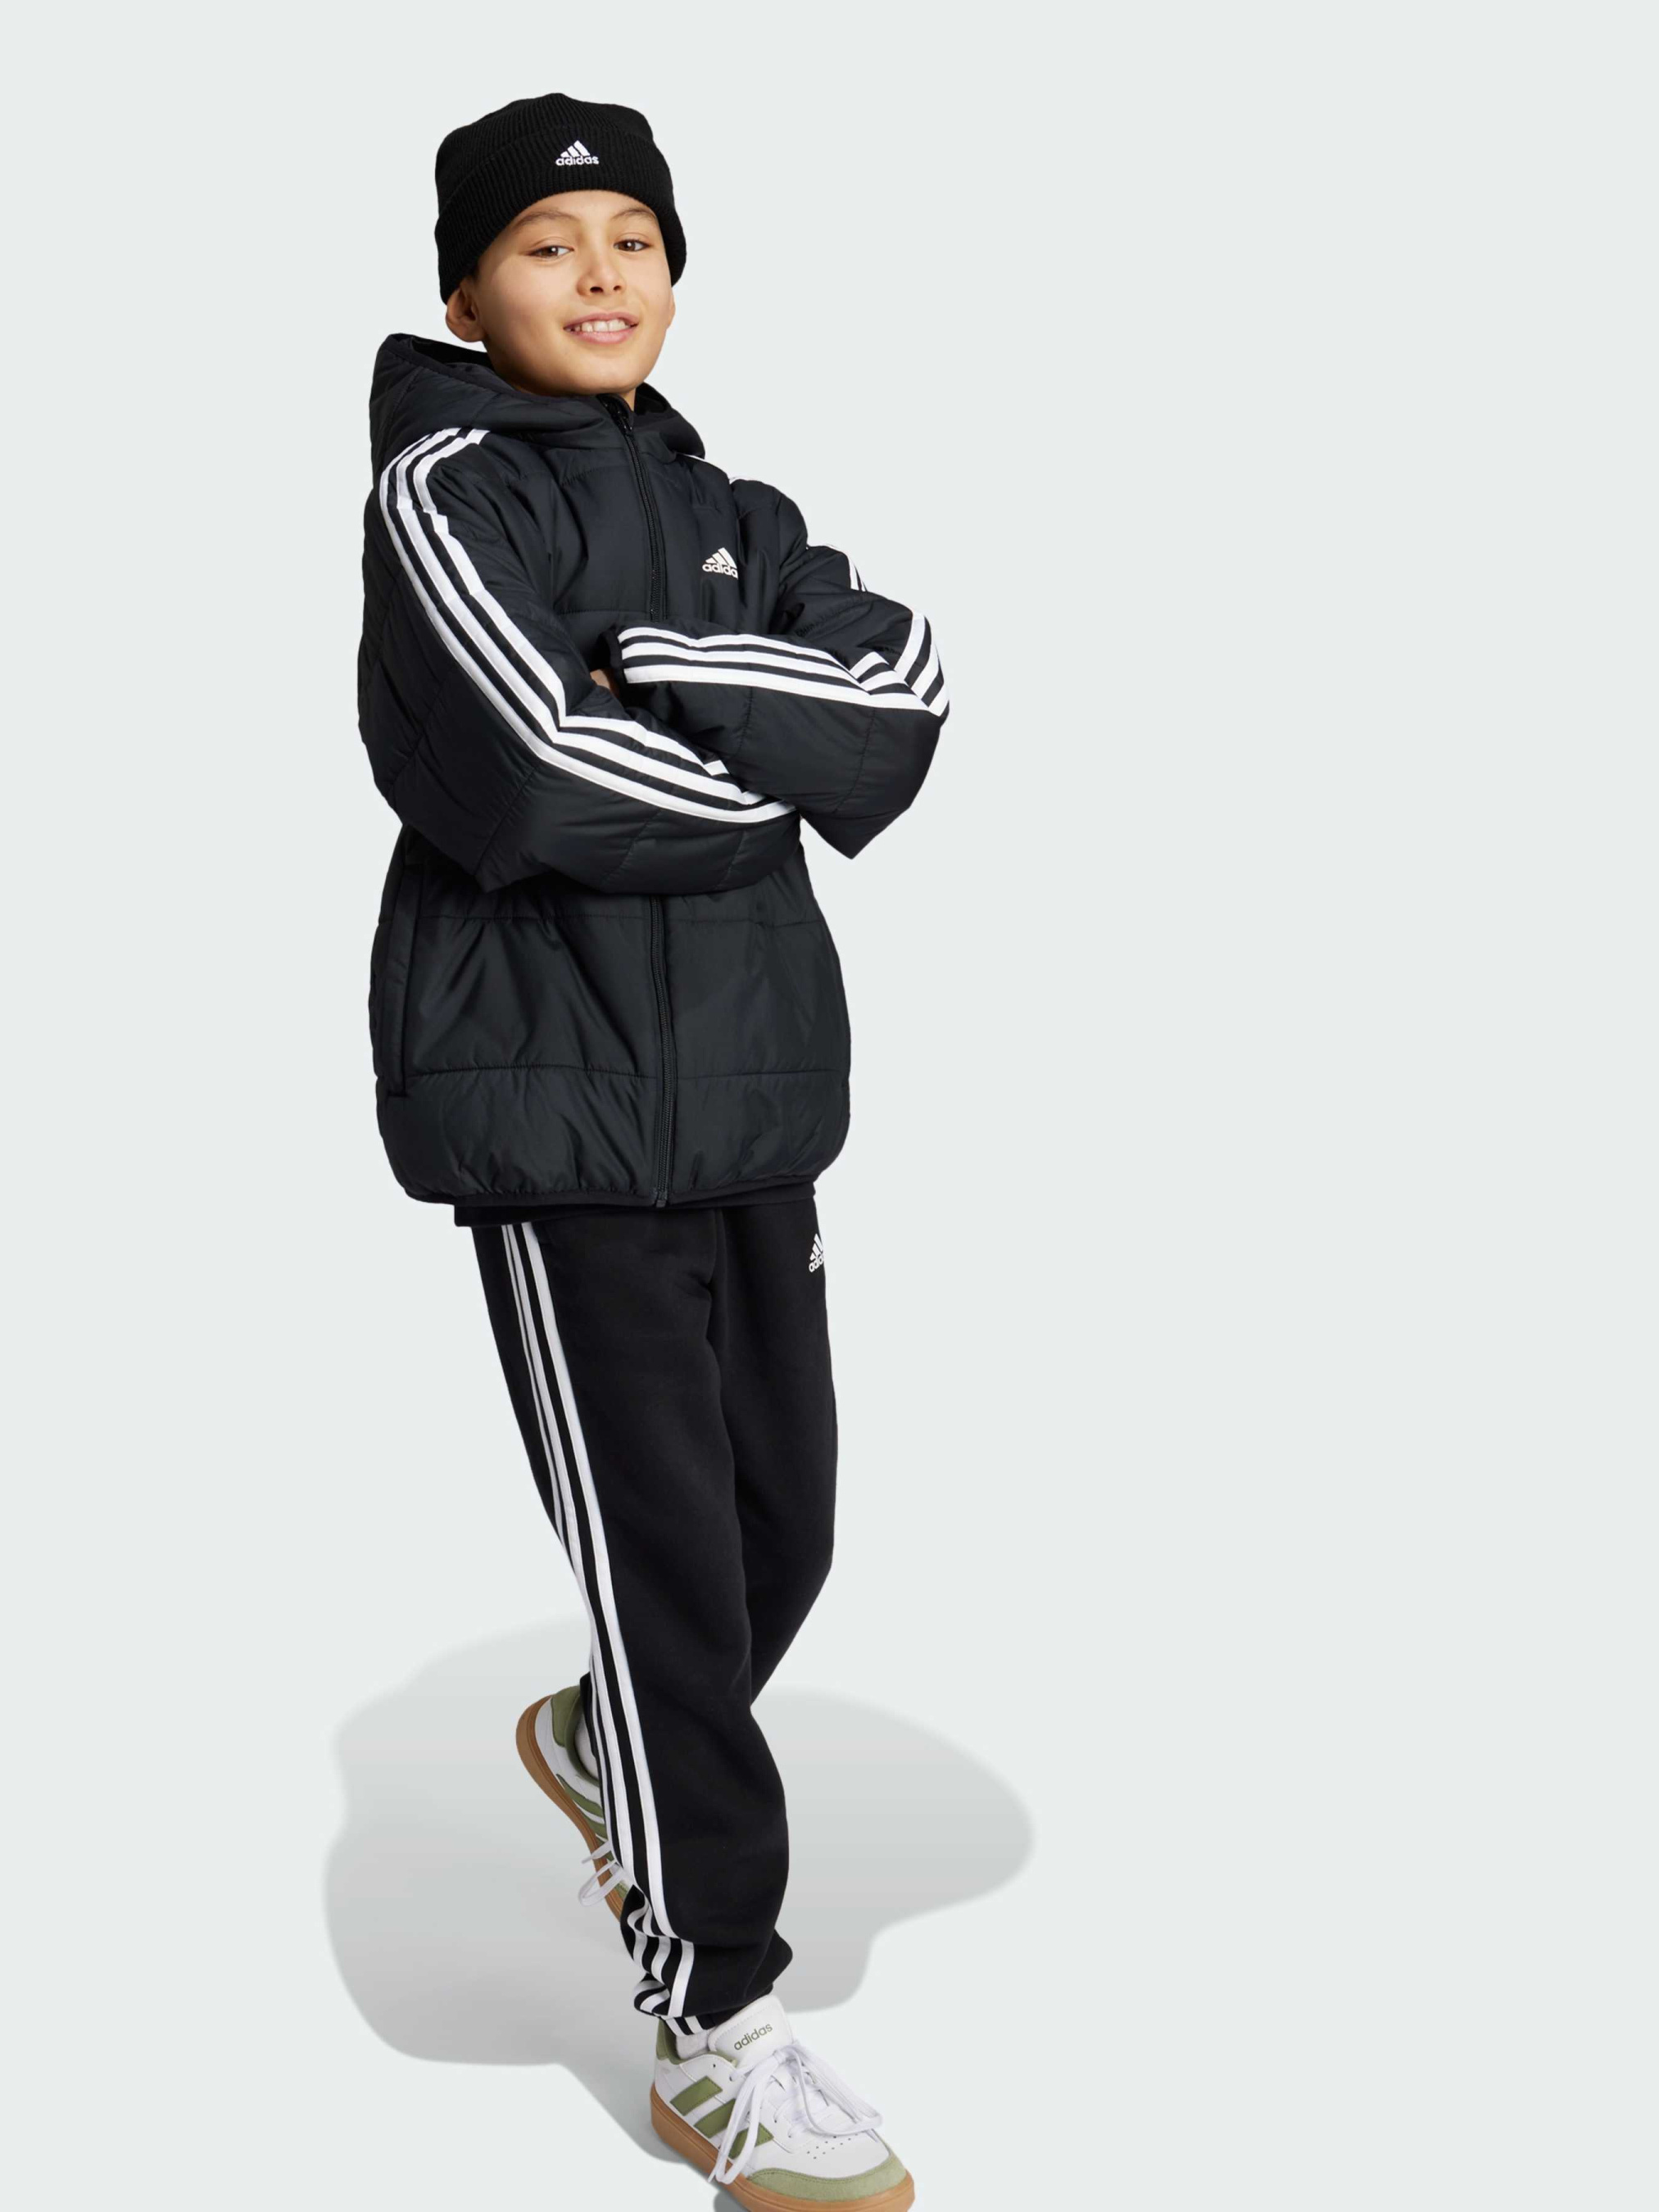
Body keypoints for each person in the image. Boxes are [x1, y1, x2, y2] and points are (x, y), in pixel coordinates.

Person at [357, 90, 946, 2210]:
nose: (600, 274)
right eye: (547, 244)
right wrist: (768, 758)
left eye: (633, 239)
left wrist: (676, 666)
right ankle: (717, 2020)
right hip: (560, 1104)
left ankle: (607, 1741)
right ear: (465, 293)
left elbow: (902, 700)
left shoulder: (726, 507)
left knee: (786, 1522)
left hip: (757, 1089)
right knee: (673, 1570)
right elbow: (531, 770)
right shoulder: (447, 492)